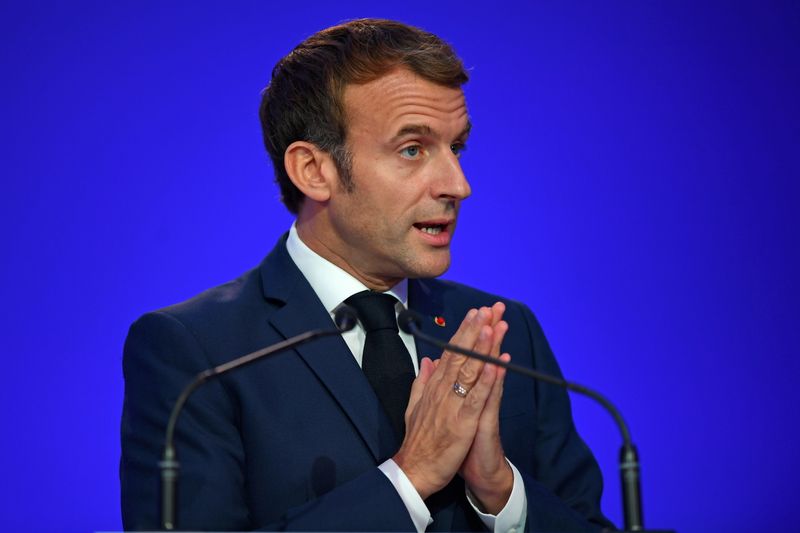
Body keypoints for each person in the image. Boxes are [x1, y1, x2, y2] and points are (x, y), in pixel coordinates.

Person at [120, 18, 613, 532]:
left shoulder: (502, 330)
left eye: (457, 148)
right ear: (314, 171)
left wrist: (502, 492)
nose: (458, 184)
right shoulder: (199, 353)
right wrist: (410, 478)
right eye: (412, 149)